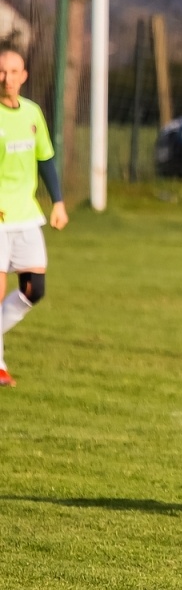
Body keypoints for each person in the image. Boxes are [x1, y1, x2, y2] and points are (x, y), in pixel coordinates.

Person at [0, 47, 66, 388]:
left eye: (13, 71)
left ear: (24, 76)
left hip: (26, 214)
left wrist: (58, 202)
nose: (6, 78)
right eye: (1, 71)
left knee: (33, 288)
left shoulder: (32, 113)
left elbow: (45, 160)